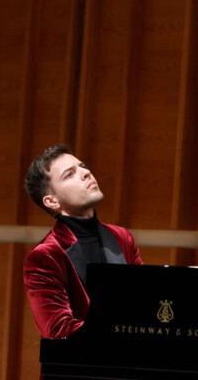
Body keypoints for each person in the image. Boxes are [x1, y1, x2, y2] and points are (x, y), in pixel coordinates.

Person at [23, 144, 143, 339]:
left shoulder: (122, 237)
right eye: (69, 174)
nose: (86, 173)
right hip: (78, 368)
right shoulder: (45, 256)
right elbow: (58, 329)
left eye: (82, 166)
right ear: (52, 201)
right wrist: (123, 332)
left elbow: (143, 302)